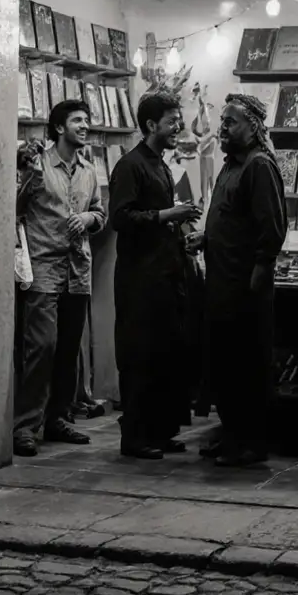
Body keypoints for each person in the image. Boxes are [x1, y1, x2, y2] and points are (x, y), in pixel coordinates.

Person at [185, 93, 286, 467]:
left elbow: (271, 229)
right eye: (223, 121)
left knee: (247, 366)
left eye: (230, 122)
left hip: (245, 287)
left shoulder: (259, 165)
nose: (223, 128)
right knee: (224, 365)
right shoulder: (230, 165)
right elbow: (232, 219)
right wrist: (205, 238)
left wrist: (257, 278)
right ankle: (230, 435)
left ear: (253, 127)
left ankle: (250, 443)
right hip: (221, 284)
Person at [109, 92, 203, 459]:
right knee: (140, 356)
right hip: (140, 280)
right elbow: (121, 218)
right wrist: (168, 215)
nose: (178, 127)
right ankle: (135, 438)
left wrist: (185, 235)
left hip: (166, 275)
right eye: (171, 122)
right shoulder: (131, 165)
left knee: (165, 355)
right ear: (151, 126)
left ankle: (159, 432)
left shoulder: (161, 164)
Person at [14, 99, 107, 457]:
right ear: (58, 128)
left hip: (78, 270)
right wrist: (27, 172)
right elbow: (17, 208)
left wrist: (89, 220)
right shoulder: (37, 163)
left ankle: (58, 418)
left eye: (87, 120)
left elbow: (100, 212)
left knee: (69, 351)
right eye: (78, 121)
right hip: (43, 268)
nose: (85, 126)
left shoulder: (88, 168)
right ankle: (24, 426)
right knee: (42, 347)